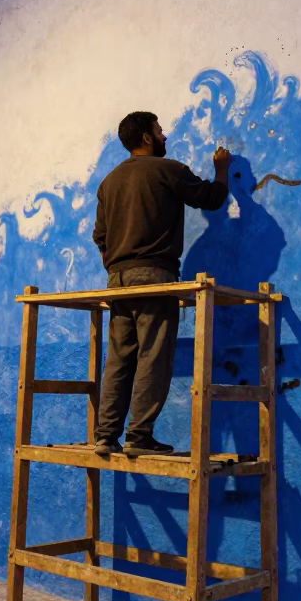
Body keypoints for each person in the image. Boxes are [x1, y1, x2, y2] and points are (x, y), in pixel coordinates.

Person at [91, 111, 232, 456]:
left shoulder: (108, 182)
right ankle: (139, 436)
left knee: (120, 359)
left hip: (118, 280)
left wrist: (116, 267)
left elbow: (101, 238)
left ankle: (105, 436)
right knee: (153, 356)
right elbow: (212, 199)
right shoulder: (168, 171)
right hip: (154, 275)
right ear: (146, 138)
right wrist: (222, 169)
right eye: (159, 130)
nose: (165, 135)